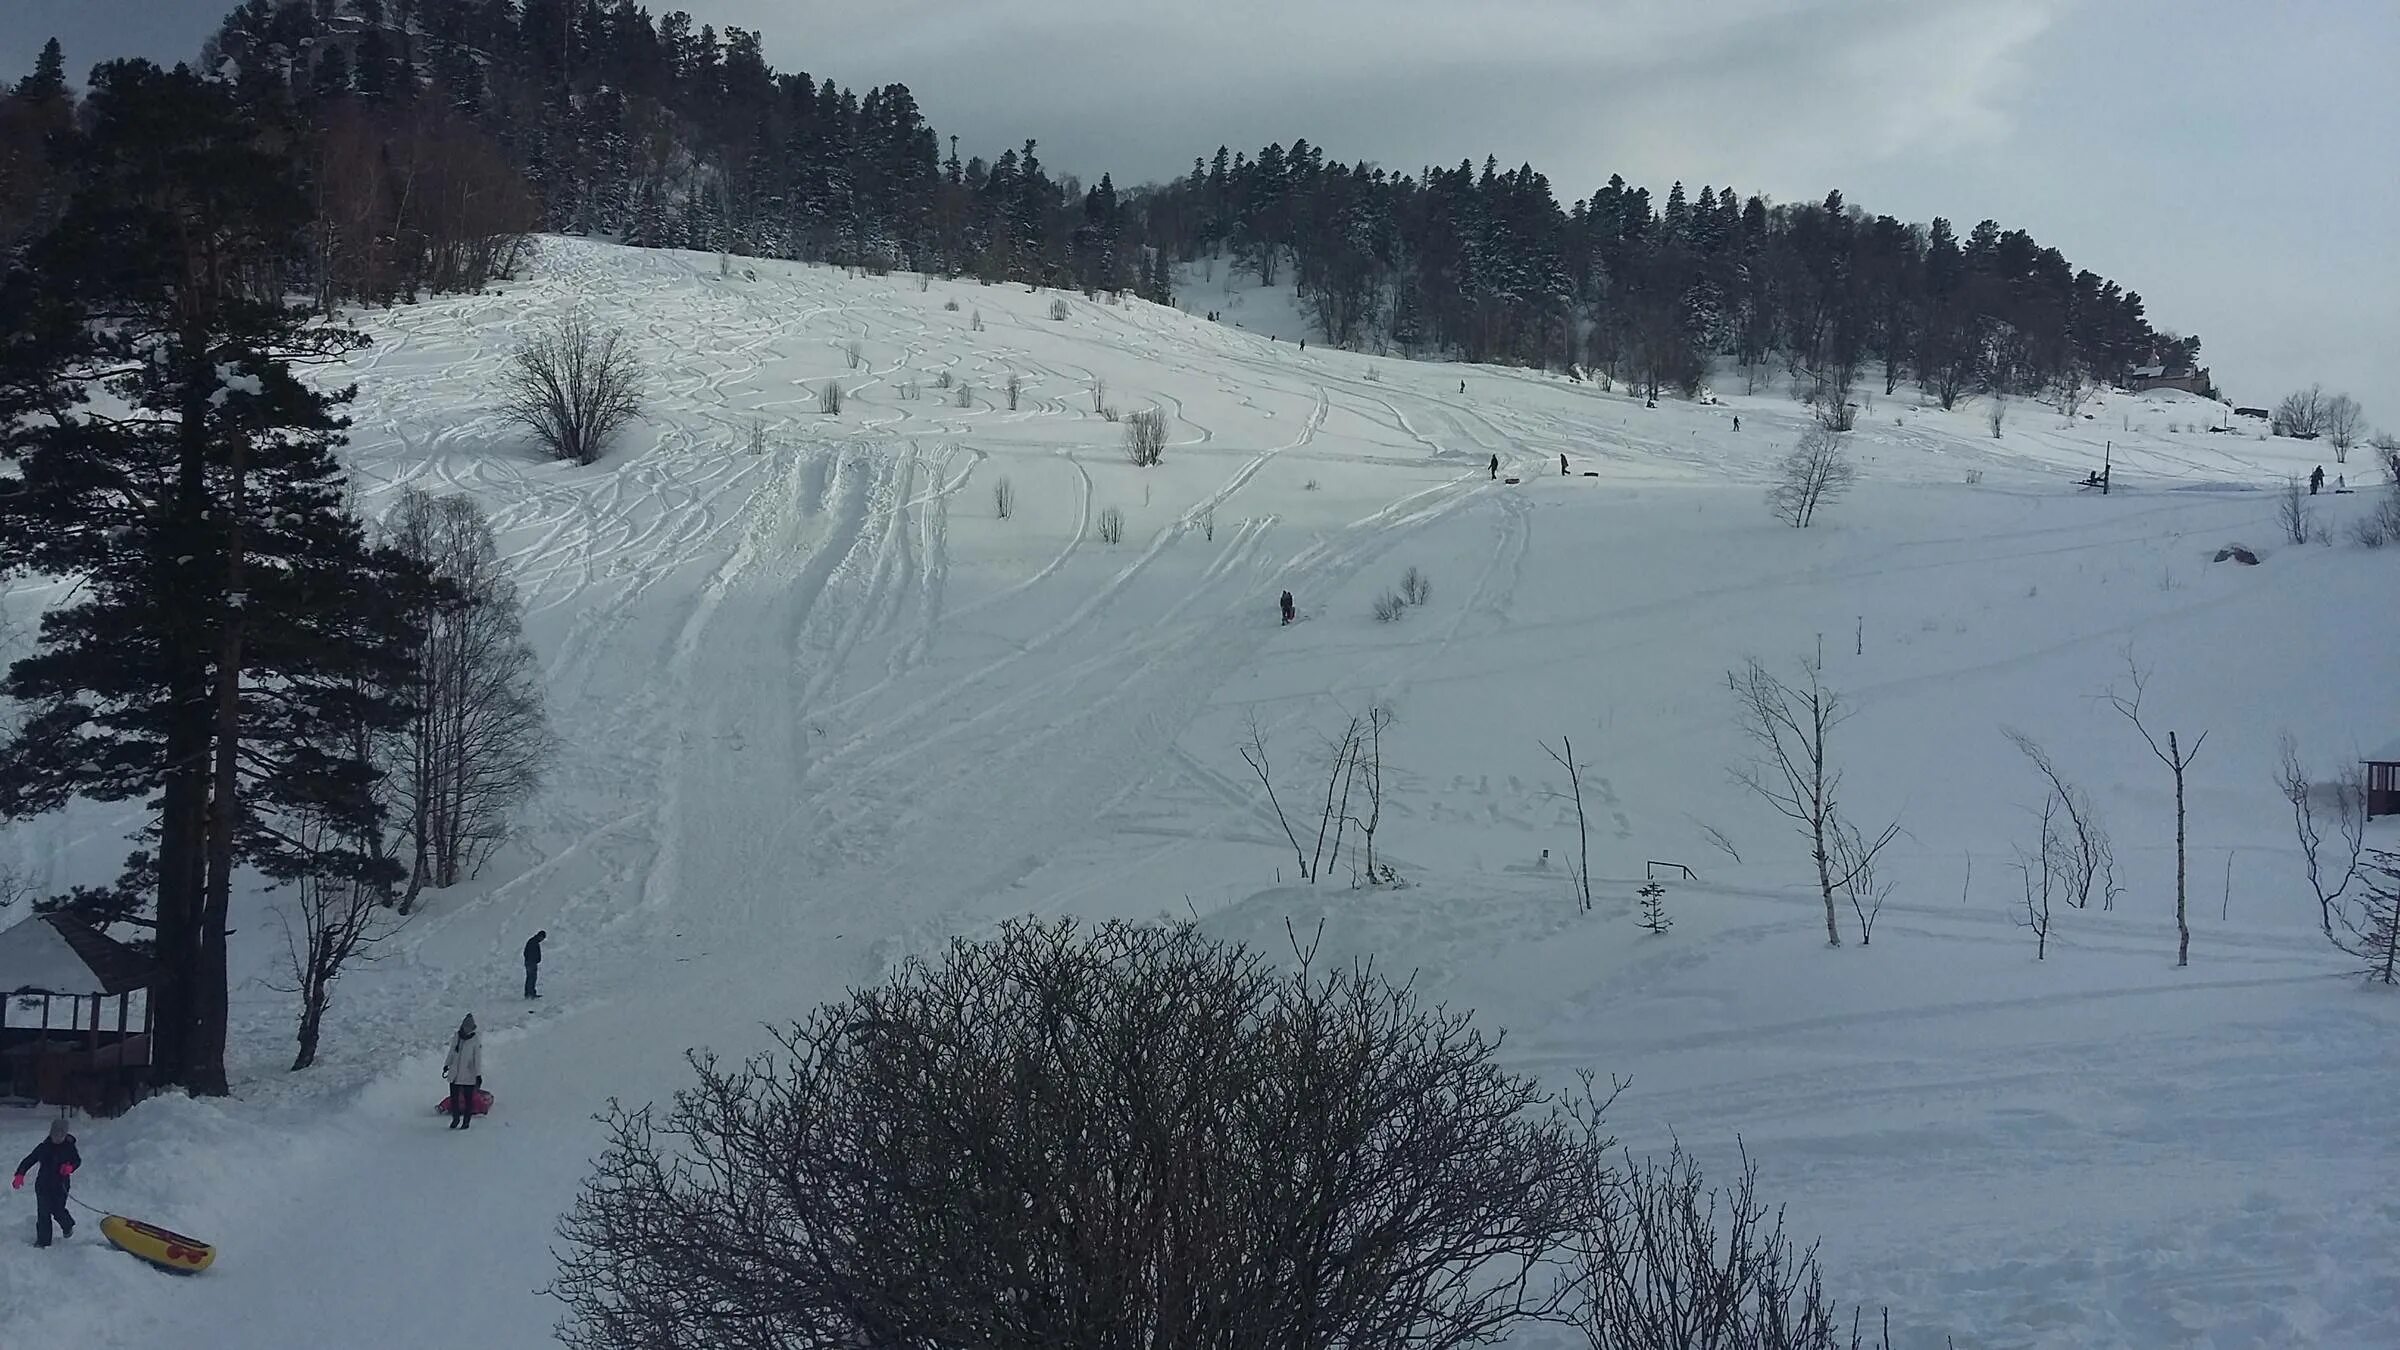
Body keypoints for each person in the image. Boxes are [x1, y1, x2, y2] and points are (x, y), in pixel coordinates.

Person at [13, 1118, 79, 1247]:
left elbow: (77, 1161)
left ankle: (67, 1225)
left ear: (65, 1135)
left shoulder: (69, 1147)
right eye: (55, 1135)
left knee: (58, 1210)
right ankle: (43, 1241)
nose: (57, 1138)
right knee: (43, 1213)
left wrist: (70, 1168)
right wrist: (20, 1174)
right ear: (51, 1133)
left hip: (61, 1186)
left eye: (61, 1135)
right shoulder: (44, 1147)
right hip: (43, 1185)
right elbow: (29, 1160)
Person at [443, 1015, 483, 1130]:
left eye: (469, 1027)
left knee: (468, 1100)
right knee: (454, 1098)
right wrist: (447, 1064)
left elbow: (477, 1059)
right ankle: (455, 1119)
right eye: (465, 1027)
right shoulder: (457, 1037)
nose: (466, 1029)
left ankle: (466, 1121)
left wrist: (478, 1074)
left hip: (468, 1075)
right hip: (455, 1073)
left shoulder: (475, 1040)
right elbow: (451, 1052)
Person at [523, 930, 546, 999]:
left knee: (531, 978)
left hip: (531, 962)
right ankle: (530, 993)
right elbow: (526, 953)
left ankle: (529, 993)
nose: (542, 940)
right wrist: (532, 960)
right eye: (542, 938)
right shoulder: (533, 942)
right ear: (540, 936)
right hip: (531, 963)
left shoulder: (533, 941)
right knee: (531, 978)